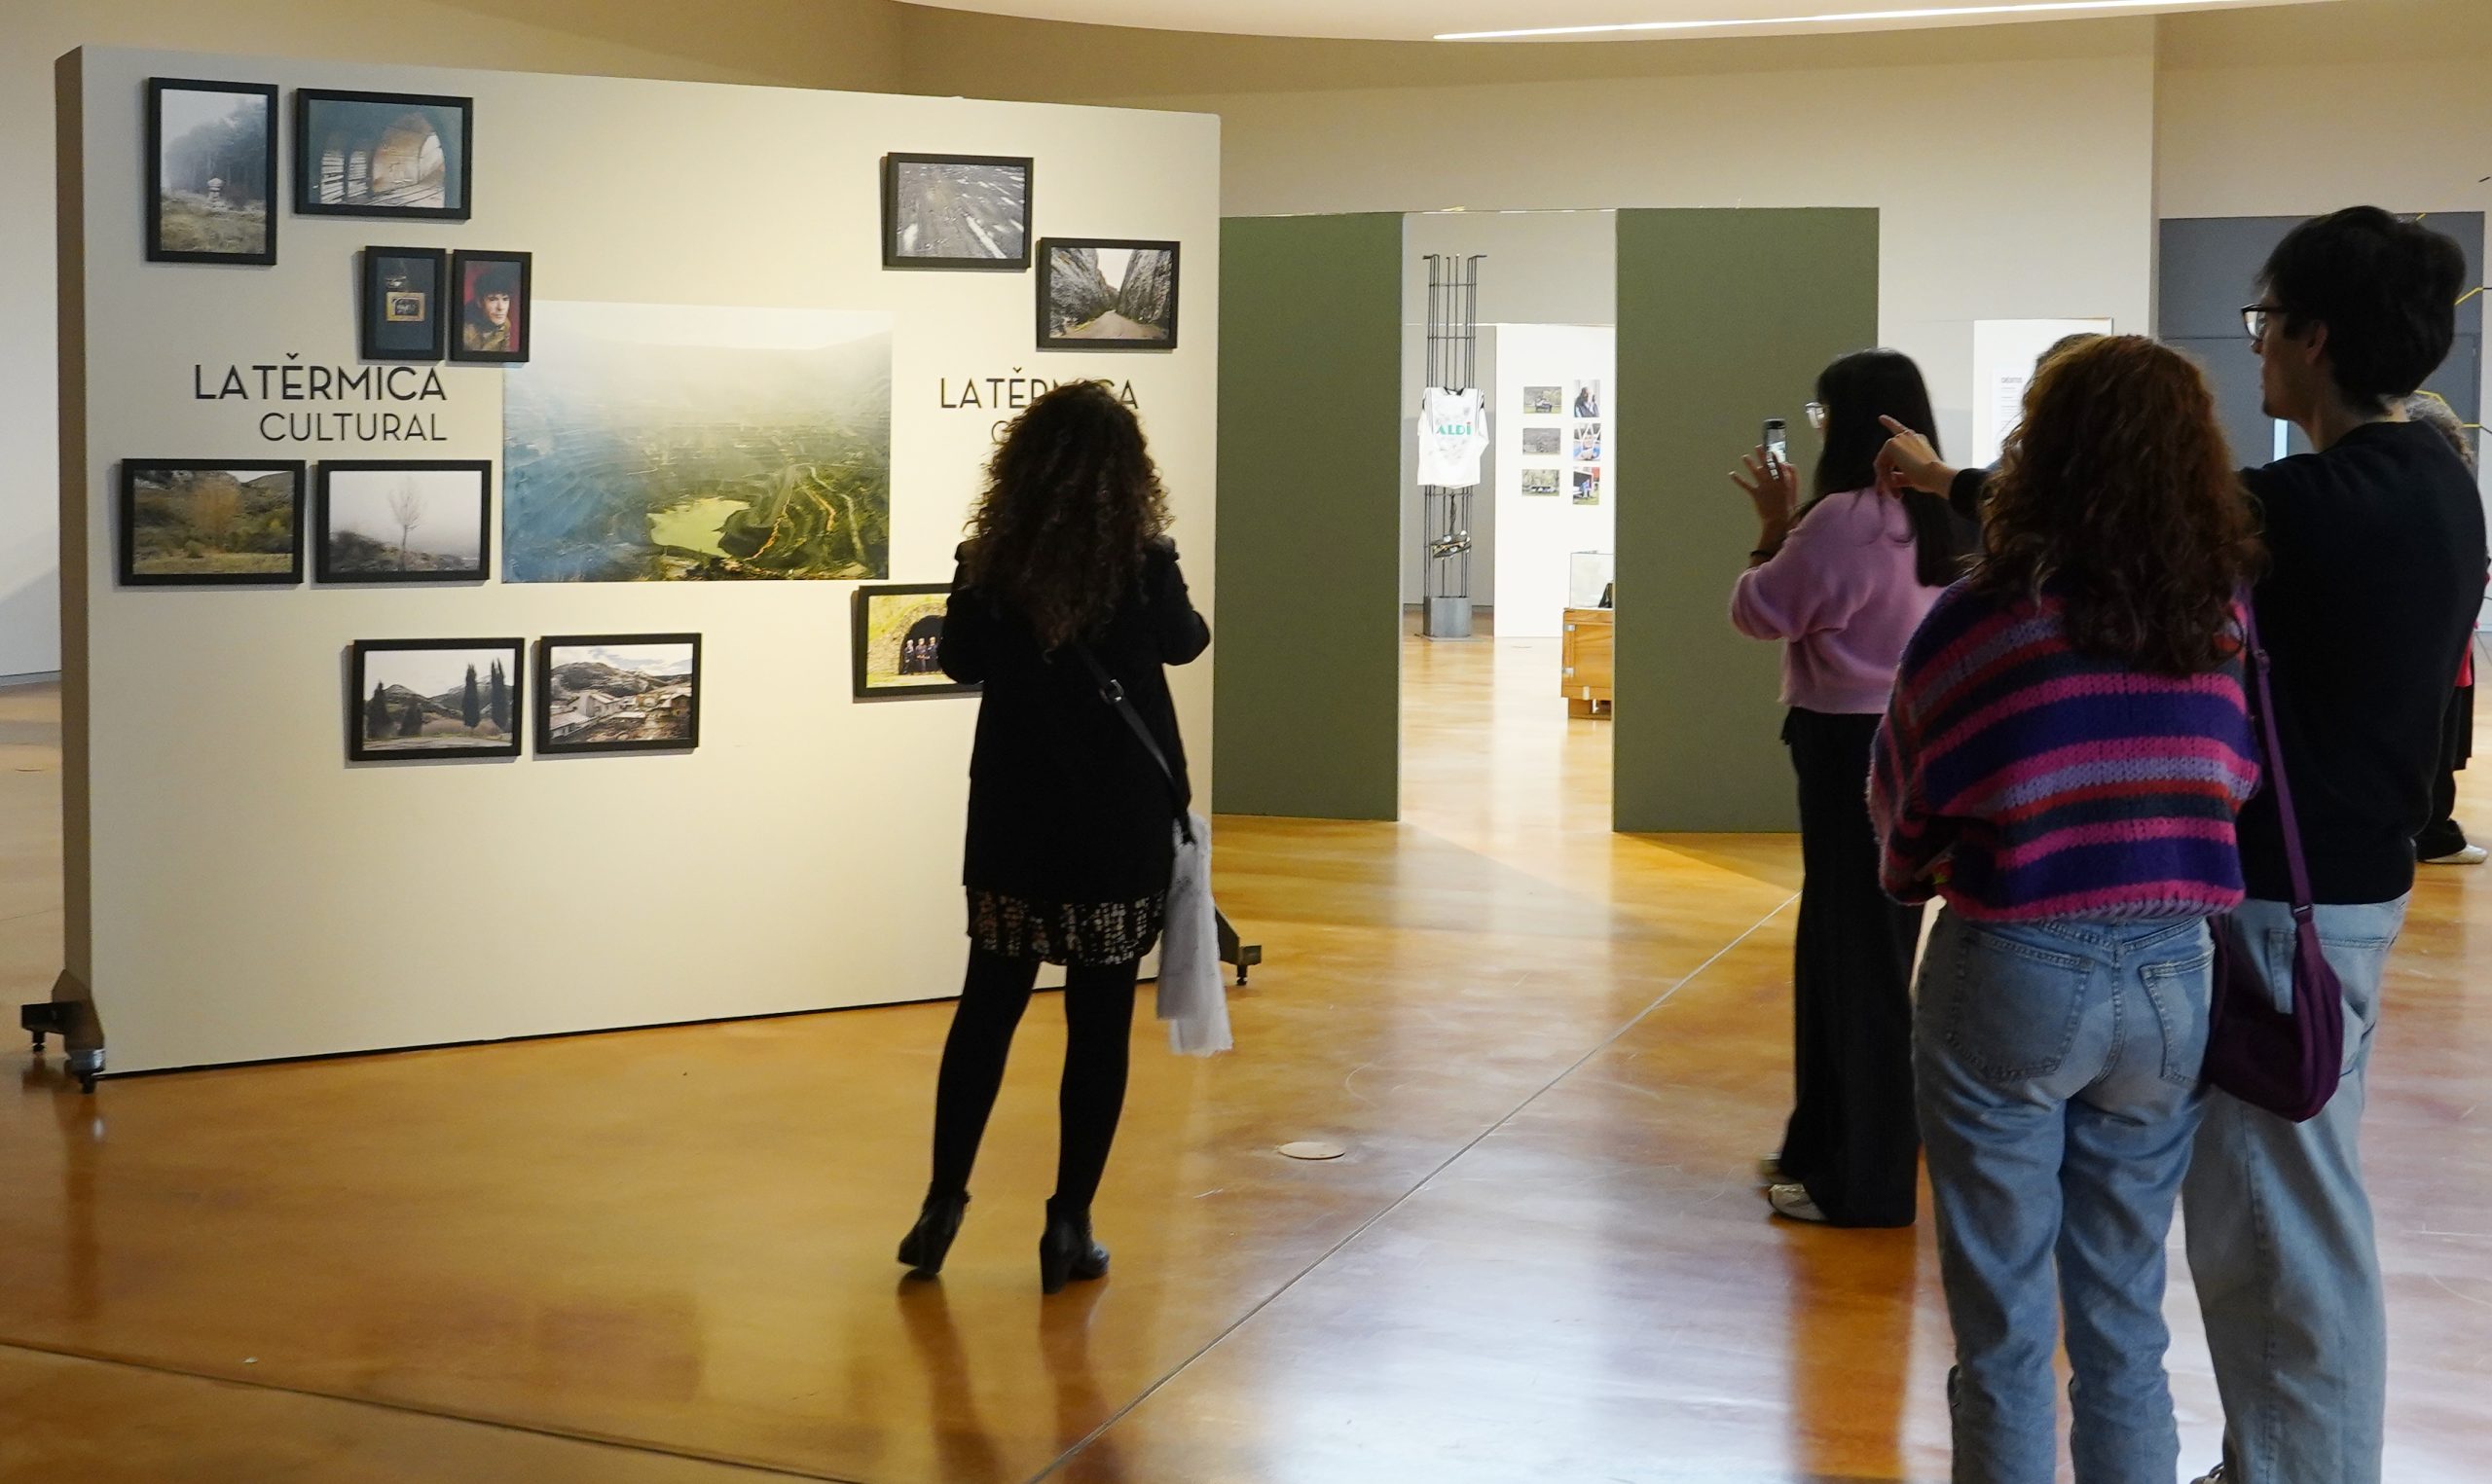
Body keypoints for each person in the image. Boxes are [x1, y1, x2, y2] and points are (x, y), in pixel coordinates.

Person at [1880, 207, 2484, 1484]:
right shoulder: (2431, 473)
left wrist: (1951, 487)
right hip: (2275, 913)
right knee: (2150, 1290)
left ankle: (2299, 1468)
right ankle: (2272, 1456)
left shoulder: (2329, 501)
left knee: (2277, 1225)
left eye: (2266, 326)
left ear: (2314, 339)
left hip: (2270, 911)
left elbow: (2129, 510)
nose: (2254, 352)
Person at [1872, 336, 2263, 1482]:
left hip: (2013, 965)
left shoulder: (1978, 619)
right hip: (2171, 979)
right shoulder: (2217, 624)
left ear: (2041, 452)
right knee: (2124, 1323)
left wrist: (1921, 877)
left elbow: (1904, 806)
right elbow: (2230, 781)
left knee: (1999, 1333)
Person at [896, 381, 1210, 1294]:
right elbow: (1185, 642)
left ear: (1021, 469)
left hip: (1013, 814)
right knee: (1097, 1019)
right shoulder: (1143, 560)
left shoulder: (987, 558)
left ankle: (943, 1199)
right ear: (1128, 472)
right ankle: (1068, 1224)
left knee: (987, 1006)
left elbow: (958, 660)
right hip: (1114, 820)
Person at [1726, 347, 1972, 1227]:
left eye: (1824, 414)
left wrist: (1771, 526)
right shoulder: (1946, 518)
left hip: (1844, 748)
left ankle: (1860, 1180)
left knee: (1853, 954)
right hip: (1918, 739)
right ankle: (1824, 1143)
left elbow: (1759, 609)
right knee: (1858, 943)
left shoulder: (1842, 519)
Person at [2403, 393, 2485, 865]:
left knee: (2440, 740)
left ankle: (2433, 829)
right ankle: (2433, 834)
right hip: (2438, 649)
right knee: (2433, 741)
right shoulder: (2436, 495)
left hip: (2447, 645)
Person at [461, 263, 519, 353]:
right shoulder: (464, 328)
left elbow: (504, 355)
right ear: (479, 302)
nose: (500, 307)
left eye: (505, 299)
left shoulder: (505, 324)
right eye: (493, 299)